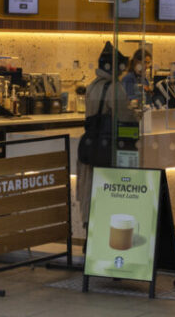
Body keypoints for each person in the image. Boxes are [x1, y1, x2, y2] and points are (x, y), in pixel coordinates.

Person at [77, 42, 129, 231]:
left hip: (92, 145)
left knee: (90, 191)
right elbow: (124, 118)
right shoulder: (114, 88)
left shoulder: (92, 85)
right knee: (107, 192)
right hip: (107, 149)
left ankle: (90, 229)